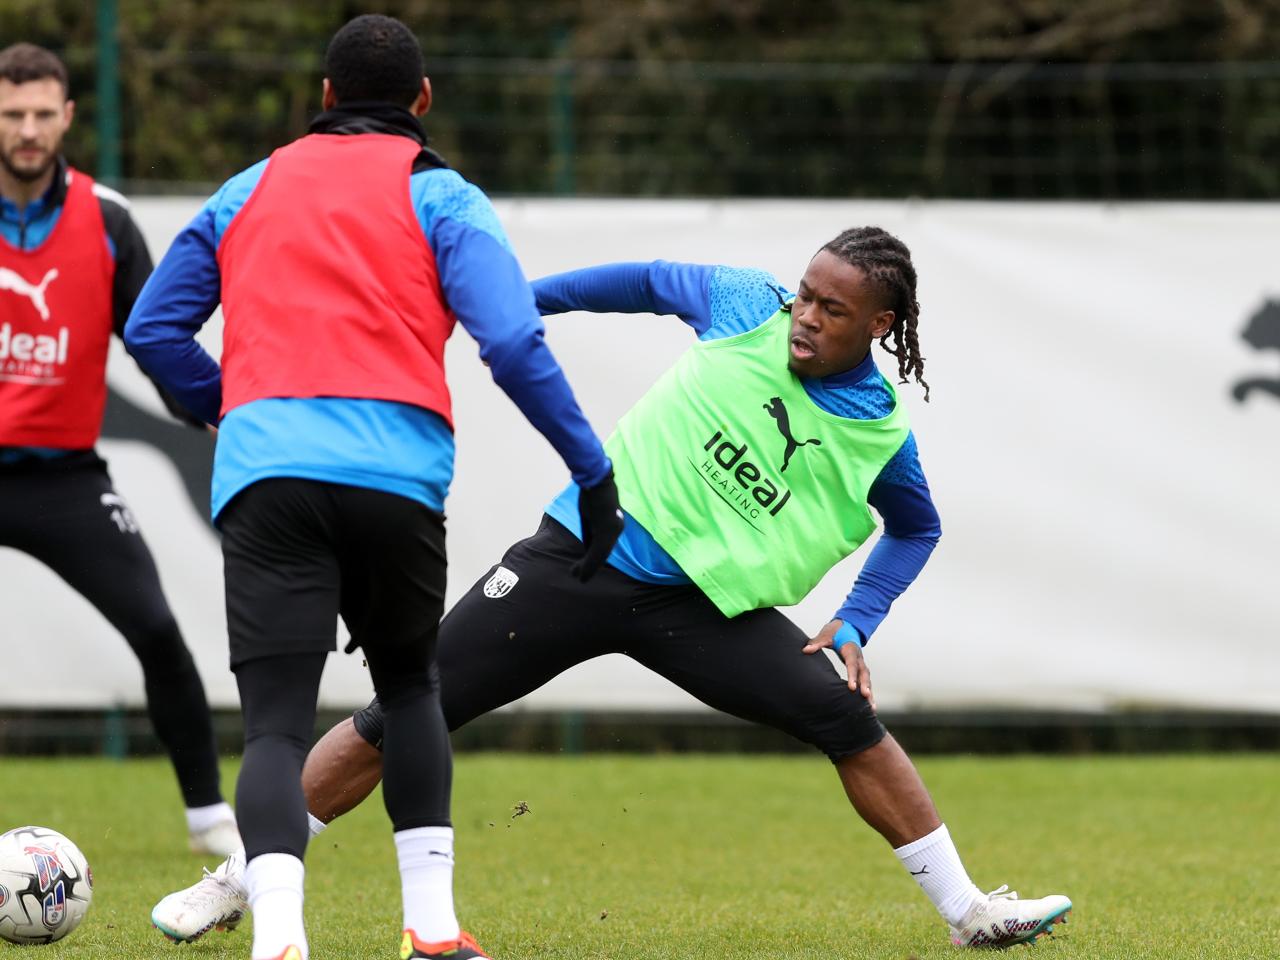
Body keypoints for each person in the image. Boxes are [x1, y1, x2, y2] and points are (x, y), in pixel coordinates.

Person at [151, 228, 1072, 950]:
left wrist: (857, 617)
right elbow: (638, 281)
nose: (805, 316)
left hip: (705, 610)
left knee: (848, 723)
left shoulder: (880, 432)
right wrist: (523, 304)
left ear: (879, 325)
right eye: (806, 295)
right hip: (576, 560)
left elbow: (918, 526)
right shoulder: (744, 303)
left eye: (833, 309)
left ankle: (967, 911)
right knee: (403, 711)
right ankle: (237, 881)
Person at [125, 15, 622, 960]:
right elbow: (513, 342)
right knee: (409, 689)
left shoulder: (248, 187)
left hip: (269, 479)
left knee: (274, 725)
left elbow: (154, 329)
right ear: (423, 103)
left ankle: (279, 939)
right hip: (396, 479)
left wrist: (229, 411)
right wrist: (590, 469)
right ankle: (431, 932)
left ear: (323, 99)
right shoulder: (446, 195)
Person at [0, 42, 239, 857]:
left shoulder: (105, 220)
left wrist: (216, 409)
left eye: (41, 114)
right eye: (12, 115)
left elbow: (153, 341)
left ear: (66, 117)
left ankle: (212, 822)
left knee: (158, 631)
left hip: (65, 477)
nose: (27, 131)